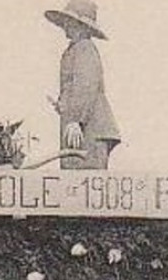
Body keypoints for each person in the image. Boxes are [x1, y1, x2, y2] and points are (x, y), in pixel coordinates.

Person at [45, 0, 121, 170]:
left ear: (80, 25)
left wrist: (75, 120)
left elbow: (85, 86)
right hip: (84, 127)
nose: (65, 25)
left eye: (69, 21)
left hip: (89, 129)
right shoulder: (76, 49)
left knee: (81, 181)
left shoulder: (84, 48)